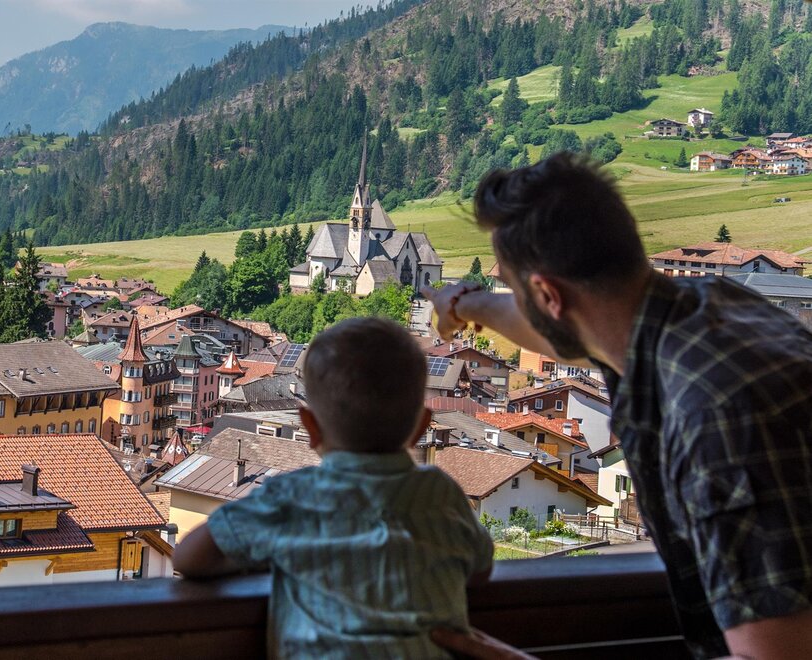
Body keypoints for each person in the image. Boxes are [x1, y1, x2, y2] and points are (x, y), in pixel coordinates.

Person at [423, 152, 812, 659]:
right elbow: (553, 328)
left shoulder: (715, 417)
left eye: (517, 290)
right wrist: (462, 305)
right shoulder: (708, 305)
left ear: (549, 295)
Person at [173, 316, 494, 658]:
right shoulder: (441, 493)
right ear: (422, 426)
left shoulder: (293, 496)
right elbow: (480, 569)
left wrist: (275, 554)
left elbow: (188, 557)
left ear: (309, 426)